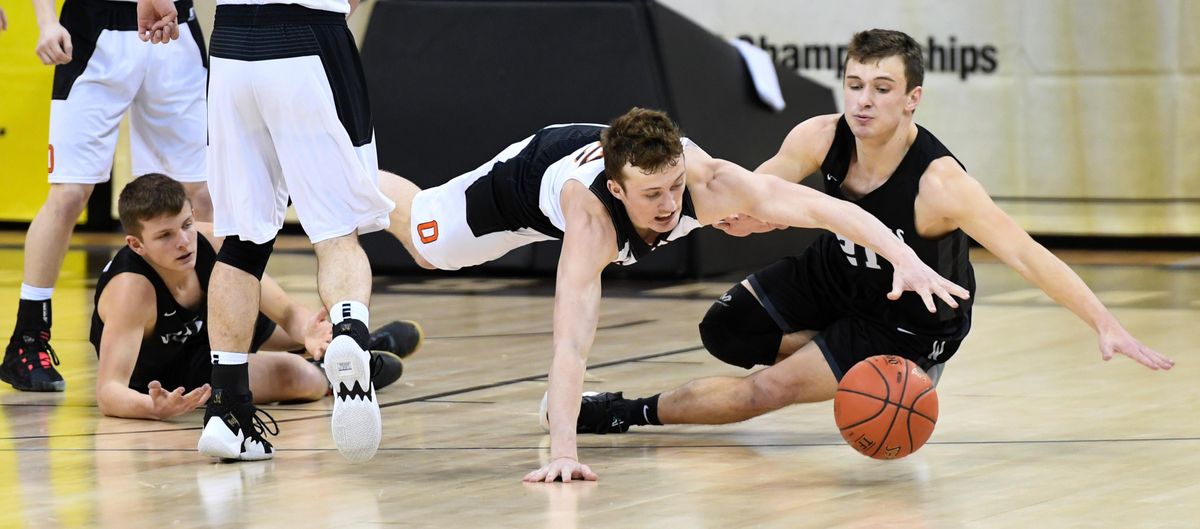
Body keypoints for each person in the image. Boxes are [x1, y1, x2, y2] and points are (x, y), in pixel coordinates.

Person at [562, 29, 1175, 449]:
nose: (864, 100)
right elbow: (736, 191)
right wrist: (621, 164)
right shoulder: (818, 136)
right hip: (836, 272)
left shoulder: (941, 184)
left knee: (766, 390)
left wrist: (1103, 321)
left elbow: (1024, 252)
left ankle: (622, 411)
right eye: (855, 84)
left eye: (882, 89)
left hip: (908, 319)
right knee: (724, 331)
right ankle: (848, 361)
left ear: (912, 99)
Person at [369, 107, 970, 482]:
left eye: (674, 187)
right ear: (618, 188)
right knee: (429, 242)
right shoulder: (592, 225)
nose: (669, 207)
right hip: (526, 184)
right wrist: (560, 451)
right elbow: (571, 345)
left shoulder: (711, 184)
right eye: (652, 195)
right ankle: (344, 176)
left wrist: (907, 260)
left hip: (605, 162)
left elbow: (827, 209)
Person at [136, 0, 396, 461]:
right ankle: (351, 335)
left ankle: (227, 408)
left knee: (241, 242)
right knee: (337, 231)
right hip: (309, 37)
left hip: (232, 48)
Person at [0, 0, 211, 393]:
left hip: (174, 27)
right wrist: (46, 22)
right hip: (95, 27)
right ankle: (28, 340)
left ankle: (221, 329)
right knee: (69, 193)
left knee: (198, 193)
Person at [92, 175, 421, 424]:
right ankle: (335, 373)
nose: (183, 242)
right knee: (298, 378)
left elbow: (286, 310)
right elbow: (109, 391)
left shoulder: (209, 240)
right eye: (165, 235)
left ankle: (349, 348)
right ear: (136, 245)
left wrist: (308, 330)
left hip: (207, 325)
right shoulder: (131, 291)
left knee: (309, 329)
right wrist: (153, 407)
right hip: (172, 374)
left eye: (187, 225)